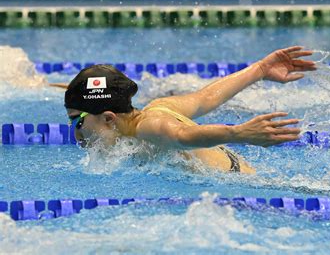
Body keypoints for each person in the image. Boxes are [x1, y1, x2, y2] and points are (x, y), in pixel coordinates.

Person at [64, 46, 316, 174]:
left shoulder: (148, 127)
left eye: (77, 122)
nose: (76, 135)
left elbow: (183, 136)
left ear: (109, 119)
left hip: (238, 186)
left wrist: (239, 133)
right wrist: (260, 69)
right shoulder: (159, 106)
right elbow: (206, 97)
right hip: (241, 174)